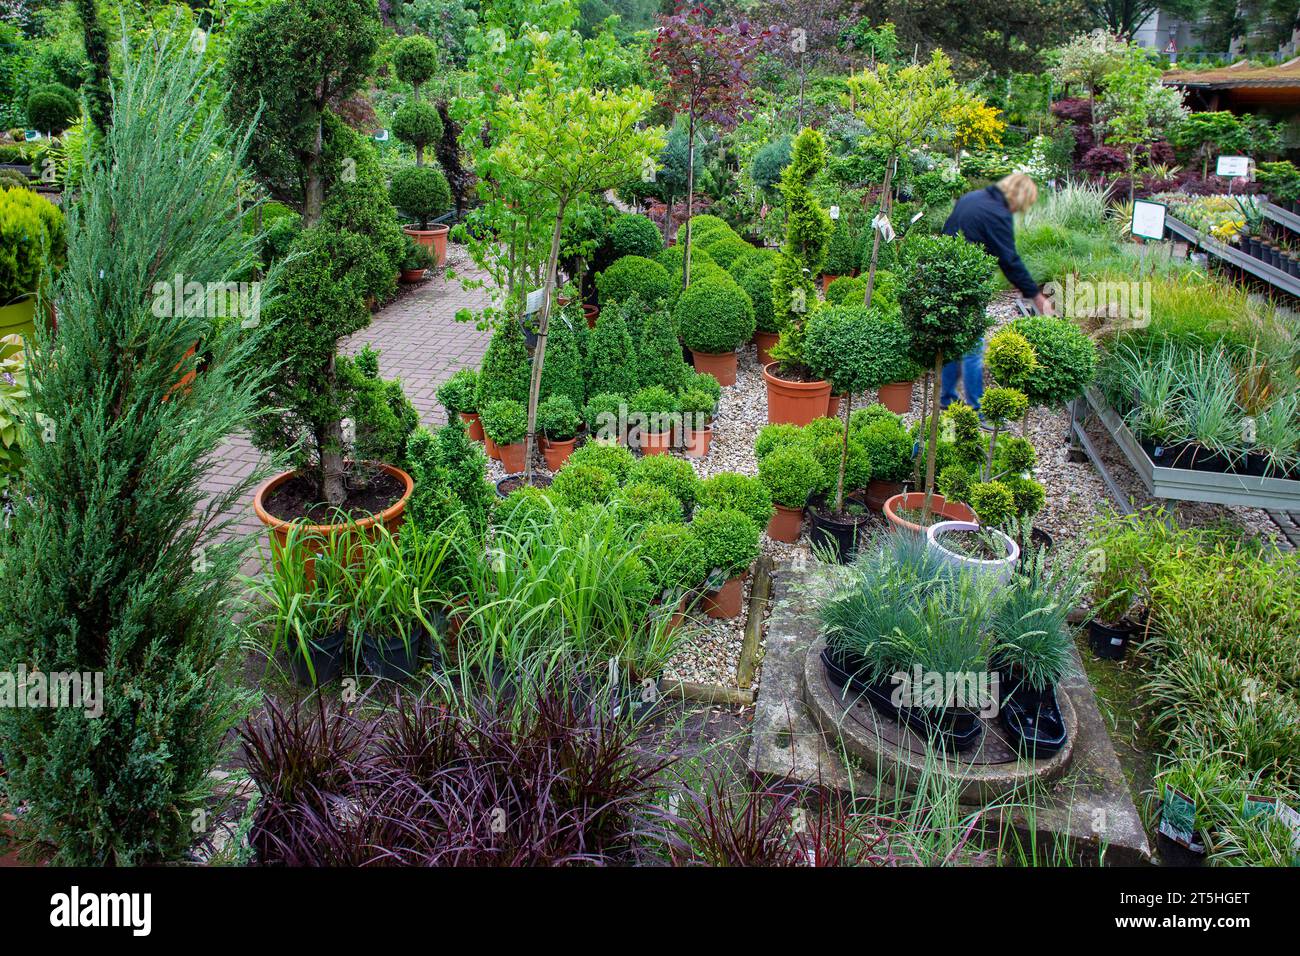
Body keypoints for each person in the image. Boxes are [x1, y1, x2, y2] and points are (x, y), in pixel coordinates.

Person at [940, 172, 1052, 417]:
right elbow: (1009, 260)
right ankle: (979, 409)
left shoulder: (971, 198)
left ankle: (946, 399)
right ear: (1018, 197)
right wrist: (1036, 296)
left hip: (945, 279)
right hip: (968, 285)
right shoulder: (997, 213)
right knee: (972, 347)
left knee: (952, 344)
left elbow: (945, 234)